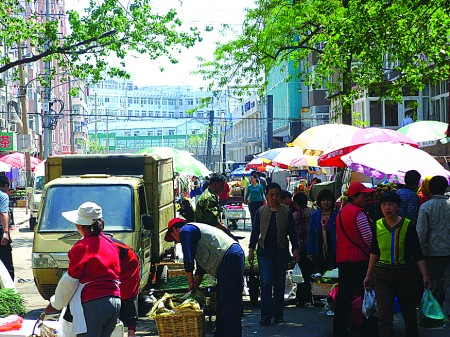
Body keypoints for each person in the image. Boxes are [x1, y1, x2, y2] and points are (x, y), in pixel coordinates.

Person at [45, 202, 121, 337]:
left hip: (94, 303)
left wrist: (56, 303)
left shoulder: (82, 247)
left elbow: (70, 281)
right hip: (115, 302)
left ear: (79, 225)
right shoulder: (111, 244)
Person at [363, 192, 430, 337]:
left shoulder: (408, 225)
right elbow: (374, 252)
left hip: (405, 273)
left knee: (409, 313)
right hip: (382, 275)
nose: (387, 208)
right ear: (380, 207)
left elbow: (417, 254)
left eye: (391, 204)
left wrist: (425, 275)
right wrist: (368, 275)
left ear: (398, 207)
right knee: (384, 316)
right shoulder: (377, 225)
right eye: (384, 204)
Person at [165, 217, 244, 337]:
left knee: (229, 303)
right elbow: (200, 269)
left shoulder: (186, 231)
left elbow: (188, 259)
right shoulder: (196, 237)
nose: (177, 241)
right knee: (223, 302)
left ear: (175, 230)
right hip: (229, 258)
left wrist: (190, 281)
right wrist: (193, 288)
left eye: (174, 238)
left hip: (229, 256)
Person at [248, 182, 300, 326]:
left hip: (281, 251)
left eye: (277, 195)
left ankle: (278, 315)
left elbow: (292, 232)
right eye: (271, 195)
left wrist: (295, 249)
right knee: (266, 282)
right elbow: (255, 232)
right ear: (266, 195)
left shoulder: (286, 211)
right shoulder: (261, 212)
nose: (274, 198)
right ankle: (265, 315)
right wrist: (251, 249)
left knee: (279, 284)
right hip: (264, 251)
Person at [333, 182, 377, 337]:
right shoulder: (359, 214)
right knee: (367, 295)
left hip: (344, 260)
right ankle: (371, 329)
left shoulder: (341, 213)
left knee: (344, 297)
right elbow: (368, 239)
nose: (366, 198)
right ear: (355, 196)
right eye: (363, 195)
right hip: (360, 260)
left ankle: (339, 330)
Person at [416, 175, 450, 318]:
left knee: (433, 283)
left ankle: (434, 314)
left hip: (432, 251)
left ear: (429, 189)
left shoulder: (426, 206)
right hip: (448, 250)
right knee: (449, 283)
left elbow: (422, 231)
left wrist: (419, 251)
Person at [110, 238, 140, 337]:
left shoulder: (104, 246)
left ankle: (131, 332)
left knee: (127, 294)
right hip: (115, 263)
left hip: (128, 262)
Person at [307, 189, 338, 275]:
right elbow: (311, 234)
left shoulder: (337, 215)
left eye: (328, 200)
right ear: (320, 202)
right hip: (318, 250)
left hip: (334, 251)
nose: (326, 202)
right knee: (319, 276)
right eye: (323, 200)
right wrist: (309, 252)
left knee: (333, 275)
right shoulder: (315, 216)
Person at [292, 192, 314, 307]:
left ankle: (301, 297)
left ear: (295, 203)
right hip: (311, 247)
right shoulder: (312, 213)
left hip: (298, 248)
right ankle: (310, 296)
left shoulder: (294, 216)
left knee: (301, 274)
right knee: (310, 272)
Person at [0, 176, 13, 280]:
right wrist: (5, 232)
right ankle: (9, 287)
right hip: (1, 232)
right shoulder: (3, 196)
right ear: (5, 186)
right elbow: (4, 213)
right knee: (6, 262)